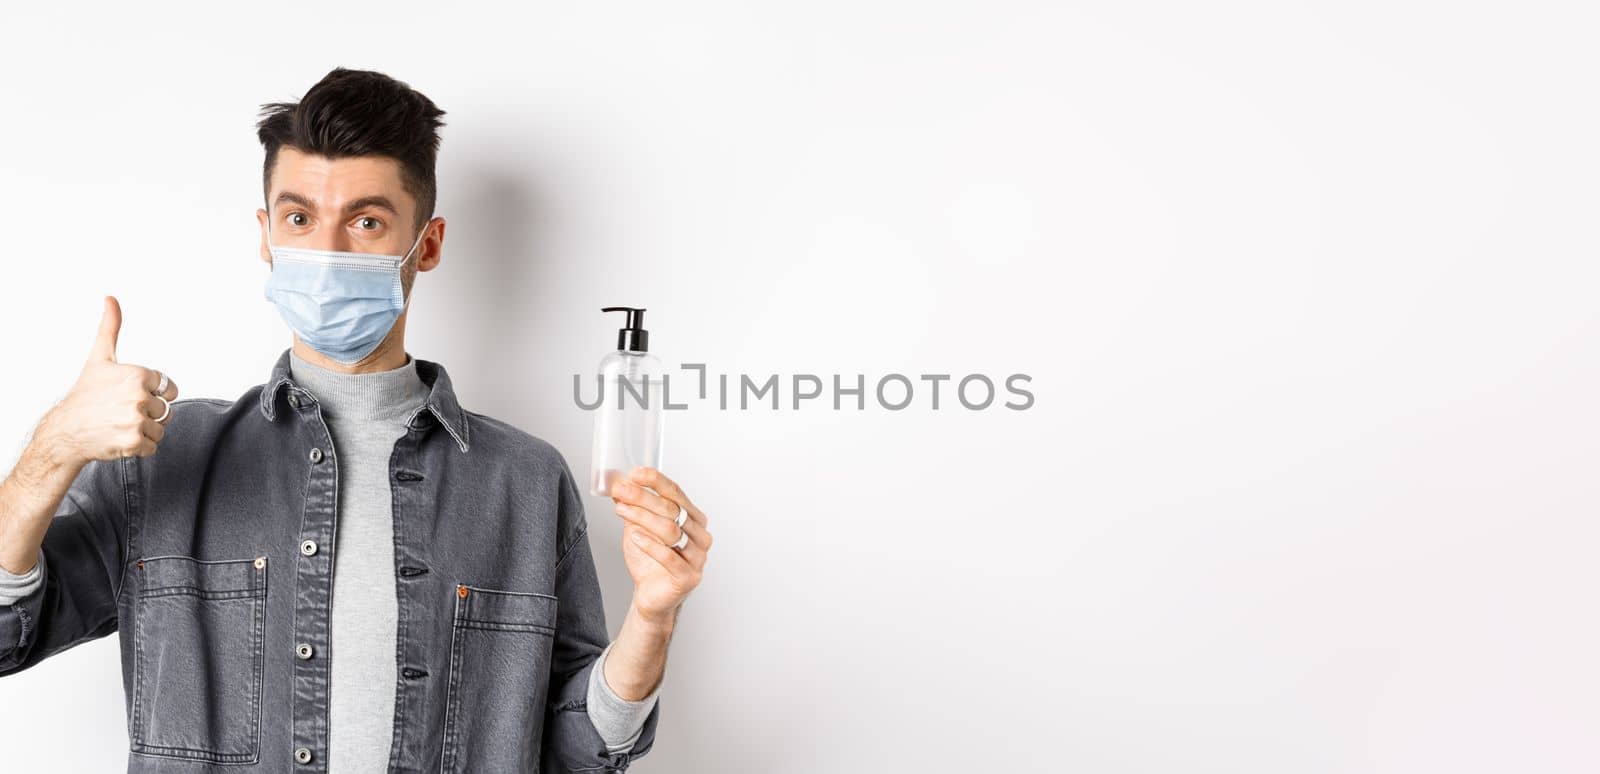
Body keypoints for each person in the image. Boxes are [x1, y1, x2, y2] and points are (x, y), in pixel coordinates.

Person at [0, 67, 712, 773]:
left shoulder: (524, 483)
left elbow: (575, 750)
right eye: (300, 218)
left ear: (426, 245)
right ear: (265, 234)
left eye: (367, 221)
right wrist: (53, 449)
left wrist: (653, 618)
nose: (328, 251)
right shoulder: (166, 457)